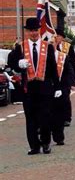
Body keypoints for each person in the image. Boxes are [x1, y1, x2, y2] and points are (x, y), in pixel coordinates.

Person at [8, 18, 60, 155]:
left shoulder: (47, 46)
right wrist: (19, 63)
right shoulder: (20, 47)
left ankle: (46, 143)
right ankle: (34, 146)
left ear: (39, 30)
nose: (33, 33)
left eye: (36, 30)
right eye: (31, 31)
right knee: (30, 118)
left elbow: (53, 68)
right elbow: (11, 62)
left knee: (45, 117)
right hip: (28, 89)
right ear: (27, 32)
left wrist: (57, 87)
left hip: (45, 87)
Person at [50, 35, 75, 146]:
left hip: (61, 88)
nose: (50, 45)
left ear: (57, 43)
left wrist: (69, 84)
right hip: (47, 88)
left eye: (52, 43)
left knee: (59, 114)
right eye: (48, 43)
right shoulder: (42, 57)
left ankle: (58, 137)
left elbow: (69, 71)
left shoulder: (62, 56)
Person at [55, 29, 75, 126]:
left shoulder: (68, 47)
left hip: (65, 77)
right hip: (54, 77)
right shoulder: (50, 47)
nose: (56, 38)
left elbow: (72, 64)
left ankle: (67, 118)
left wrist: (73, 81)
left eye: (58, 36)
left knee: (65, 99)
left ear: (62, 37)